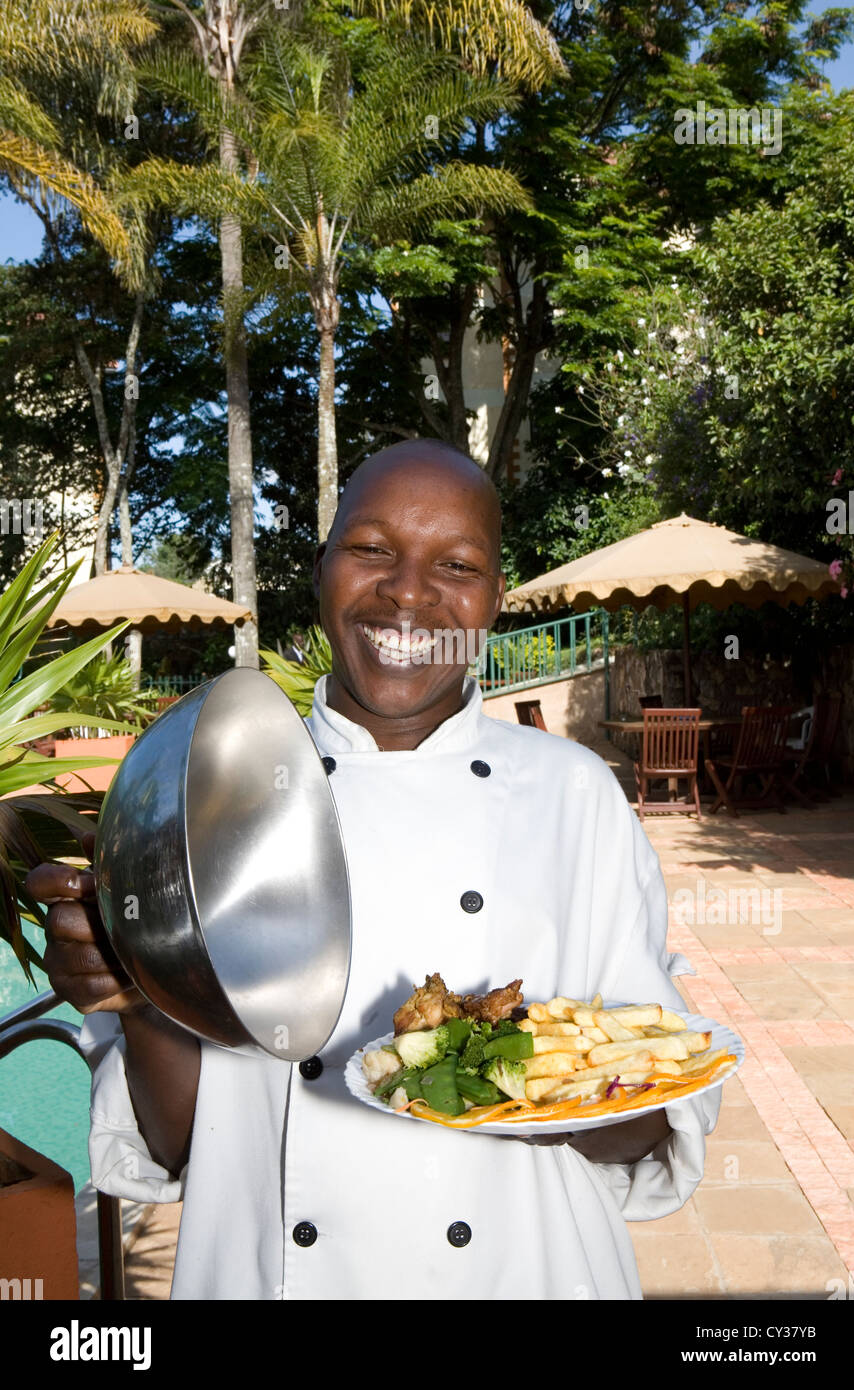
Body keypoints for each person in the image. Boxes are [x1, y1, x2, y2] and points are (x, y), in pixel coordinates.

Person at [28, 439, 720, 1300]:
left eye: (457, 564)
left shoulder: (573, 795)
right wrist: (141, 996)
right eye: (372, 549)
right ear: (322, 569)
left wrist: (537, 1086)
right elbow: (180, 1149)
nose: (409, 592)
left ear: (496, 598)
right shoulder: (217, 796)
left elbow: (641, 1124)